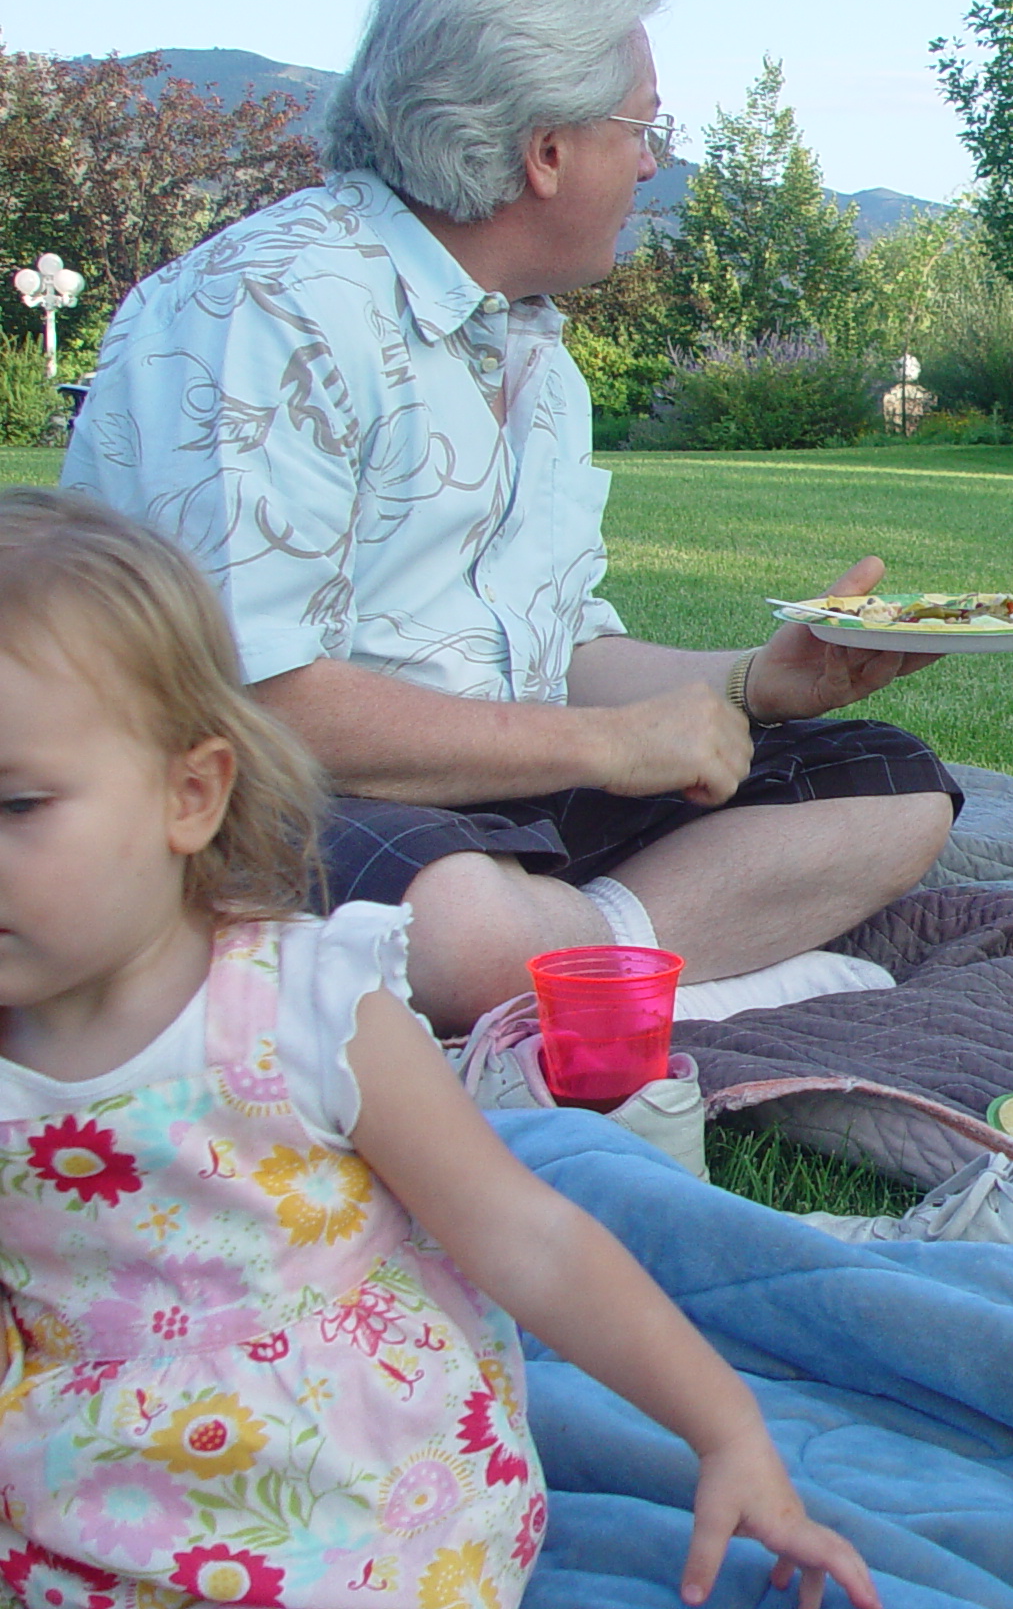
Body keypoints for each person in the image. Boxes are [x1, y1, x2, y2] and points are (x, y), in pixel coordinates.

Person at [61, 0, 959, 1032]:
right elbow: (250, 699)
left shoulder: (530, 344)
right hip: (275, 799)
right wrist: (600, 750)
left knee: (891, 788)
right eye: (642, 126)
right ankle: (657, 977)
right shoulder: (269, 307)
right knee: (456, 923)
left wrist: (751, 688)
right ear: (543, 149)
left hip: (496, 791)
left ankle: (589, 969)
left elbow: (558, 647)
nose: (652, 159)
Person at [0, 489, 879, 1608]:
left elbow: (529, 1239)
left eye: (19, 804)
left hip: (359, 1505)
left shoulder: (298, 1002)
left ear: (190, 794)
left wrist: (728, 1435)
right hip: (83, 1510)